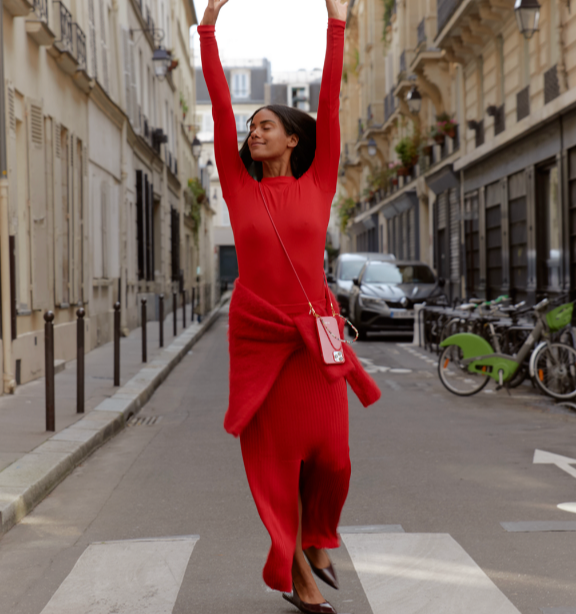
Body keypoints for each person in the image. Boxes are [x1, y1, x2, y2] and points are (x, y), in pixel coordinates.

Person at [198, 2, 380, 613]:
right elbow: (220, 110)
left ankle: (318, 536)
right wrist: (208, 28)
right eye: (252, 126)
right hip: (260, 340)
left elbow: (329, 101)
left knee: (333, 460)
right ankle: (299, 575)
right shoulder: (237, 185)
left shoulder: (318, 180)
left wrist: (336, 22)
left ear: (293, 138)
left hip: (314, 338)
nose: (254, 130)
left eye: (267, 124)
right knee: (275, 469)